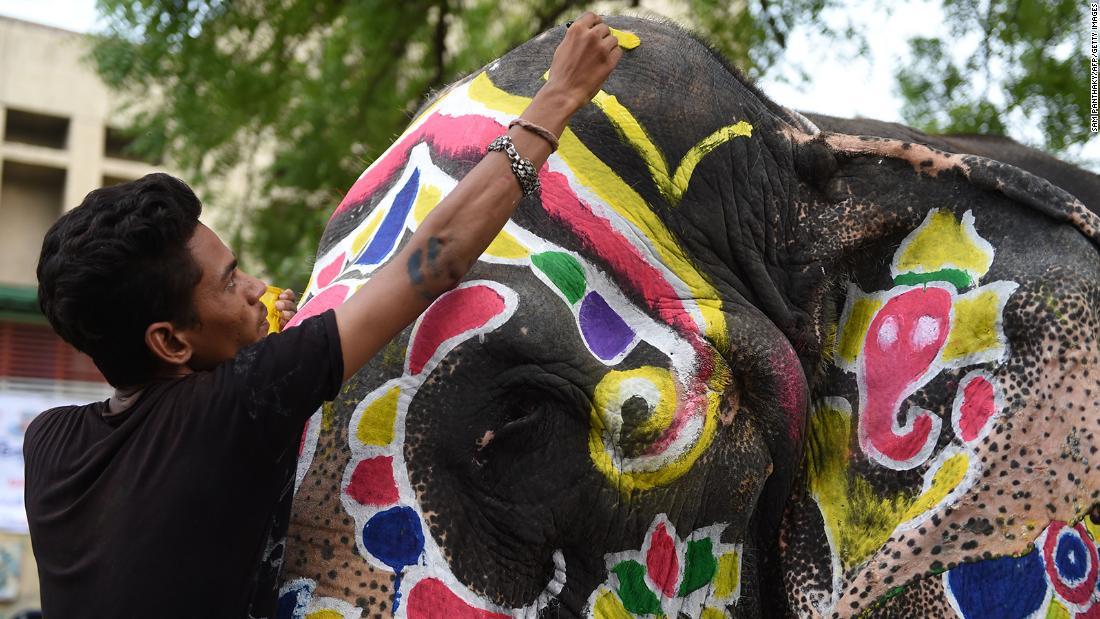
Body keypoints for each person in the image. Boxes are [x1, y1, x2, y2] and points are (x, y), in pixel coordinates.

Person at [24, 13, 621, 618]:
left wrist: (260, 357)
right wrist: (559, 97)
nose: (258, 289)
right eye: (231, 283)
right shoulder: (234, 408)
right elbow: (432, 264)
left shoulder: (50, 444)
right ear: (170, 342)